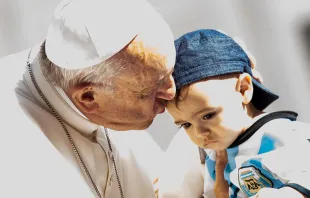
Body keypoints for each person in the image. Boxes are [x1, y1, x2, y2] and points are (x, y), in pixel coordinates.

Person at [0, 0, 177, 197]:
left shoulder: (106, 82)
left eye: (171, 72)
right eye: (149, 90)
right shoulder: (14, 158)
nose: (172, 93)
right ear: (88, 97)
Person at [159, 29, 310, 198]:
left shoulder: (284, 134)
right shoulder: (210, 157)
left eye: (208, 116)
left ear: (244, 89)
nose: (200, 133)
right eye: (186, 124)